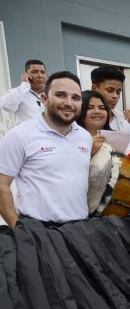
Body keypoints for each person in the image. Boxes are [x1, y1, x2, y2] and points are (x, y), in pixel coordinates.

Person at [0, 71, 91, 226]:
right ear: (44, 99)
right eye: (61, 95)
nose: (69, 103)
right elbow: (1, 185)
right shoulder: (20, 135)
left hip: (80, 228)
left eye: (75, 98)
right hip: (38, 230)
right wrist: (17, 230)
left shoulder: (85, 137)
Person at [90, 66, 130, 135]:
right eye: (110, 90)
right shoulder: (80, 119)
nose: (115, 96)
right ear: (94, 89)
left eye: (118, 92)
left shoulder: (124, 120)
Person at [0, 60, 47, 124]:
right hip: (28, 133)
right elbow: (7, 106)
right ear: (26, 75)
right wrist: (24, 85)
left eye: (43, 72)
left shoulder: (52, 94)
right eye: (35, 72)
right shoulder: (19, 92)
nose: (40, 75)